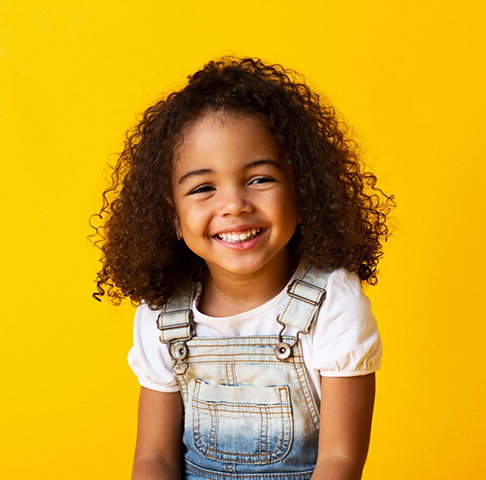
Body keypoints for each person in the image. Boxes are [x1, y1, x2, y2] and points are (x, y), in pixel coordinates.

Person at [91, 57, 394, 480]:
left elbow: (339, 461)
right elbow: (154, 459)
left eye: (259, 179)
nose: (234, 205)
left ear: (302, 190)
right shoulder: (163, 314)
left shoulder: (333, 305)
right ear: (173, 217)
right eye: (203, 188)